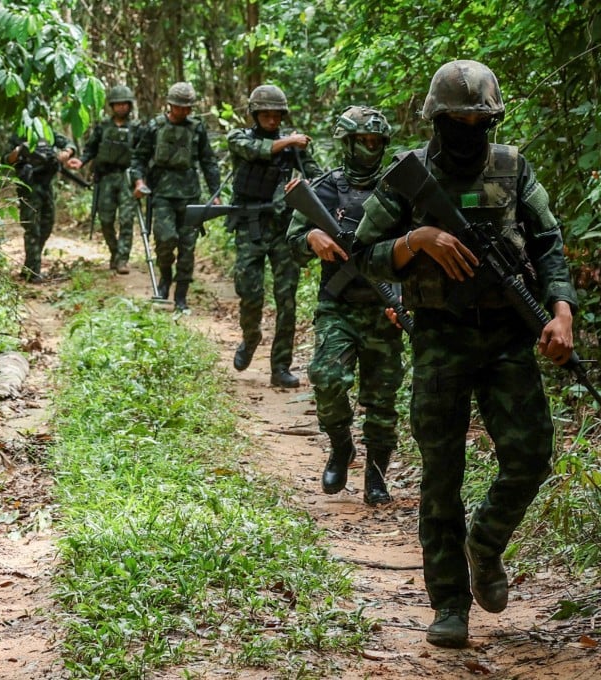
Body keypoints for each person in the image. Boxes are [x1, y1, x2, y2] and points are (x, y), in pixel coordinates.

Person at [352, 60, 578, 648]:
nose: (469, 130)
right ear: (436, 120)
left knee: (530, 456)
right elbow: (362, 256)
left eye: (479, 120)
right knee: (441, 476)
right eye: (457, 120)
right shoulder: (410, 175)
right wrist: (415, 240)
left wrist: (561, 311)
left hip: (506, 338)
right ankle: (449, 604)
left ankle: (486, 543)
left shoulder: (513, 168)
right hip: (439, 338)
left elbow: (549, 243)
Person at [287, 106, 404, 505]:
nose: (370, 149)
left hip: (384, 306)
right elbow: (293, 239)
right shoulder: (326, 188)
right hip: (337, 305)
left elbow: (416, 250)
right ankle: (341, 445)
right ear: (347, 143)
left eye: (376, 142)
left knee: (382, 398)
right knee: (327, 377)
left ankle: (376, 475)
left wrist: (406, 301)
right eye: (362, 142)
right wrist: (311, 240)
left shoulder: (398, 190)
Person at [227, 84, 321, 388]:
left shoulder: (294, 145)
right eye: (265, 114)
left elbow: (317, 176)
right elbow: (257, 150)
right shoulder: (240, 138)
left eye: (276, 114)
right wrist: (289, 141)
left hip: (282, 228)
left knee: (287, 299)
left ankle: (281, 366)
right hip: (250, 225)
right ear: (255, 115)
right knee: (250, 292)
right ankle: (250, 336)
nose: (271, 119)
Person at [131, 81, 221, 311]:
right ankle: (164, 279)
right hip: (161, 193)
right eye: (179, 107)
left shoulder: (197, 128)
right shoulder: (154, 127)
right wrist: (139, 182)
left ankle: (181, 295)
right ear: (169, 105)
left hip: (190, 194)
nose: (183, 112)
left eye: (187, 108)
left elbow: (208, 161)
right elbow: (138, 159)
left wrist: (215, 192)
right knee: (165, 239)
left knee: (187, 246)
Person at [78, 84, 142, 274]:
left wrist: (142, 179)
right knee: (105, 220)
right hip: (105, 178)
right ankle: (114, 252)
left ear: (129, 106)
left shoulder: (137, 128)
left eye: (125, 104)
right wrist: (81, 162)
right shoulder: (103, 127)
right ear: (112, 106)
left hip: (127, 178)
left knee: (126, 219)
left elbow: (143, 155)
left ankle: (122, 259)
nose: (121, 107)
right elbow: (91, 149)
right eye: (117, 104)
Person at [3, 131, 82, 282]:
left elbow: (69, 144)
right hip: (29, 186)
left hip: (46, 185)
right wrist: (19, 150)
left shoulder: (47, 133)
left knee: (47, 224)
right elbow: (6, 159)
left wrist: (65, 153)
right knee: (32, 228)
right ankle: (33, 272)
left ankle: (29, 266)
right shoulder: (17, 135)